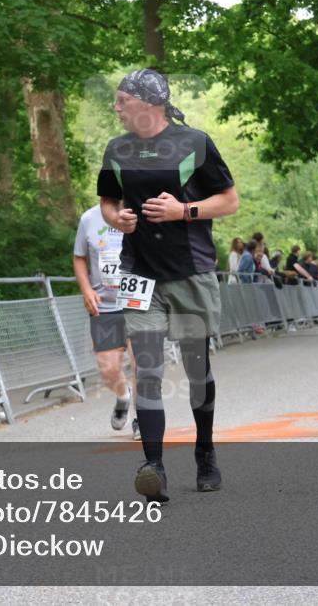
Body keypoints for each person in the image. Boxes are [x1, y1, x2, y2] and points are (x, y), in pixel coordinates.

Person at [98, 68, 239, 502]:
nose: (117, 107)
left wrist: (185, 212)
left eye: (122, 100)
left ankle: (205, 451)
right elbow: (107, 202)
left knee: (197, 368)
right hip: (139, 274)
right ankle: (153, 465)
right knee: (148, 370)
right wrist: (115, 218)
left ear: (147, 104)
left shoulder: (194, 142)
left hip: (191, 272)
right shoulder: (116, 149)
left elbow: (229, 201)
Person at [73, 204, 138, 437]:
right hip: (105, 305)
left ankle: (143, 417)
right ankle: (123, 396)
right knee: (109, 370)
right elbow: (79, 257)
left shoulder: (143, 211)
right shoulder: (89, 218)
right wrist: (86, 289)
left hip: (138, 301)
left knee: (143, 363)